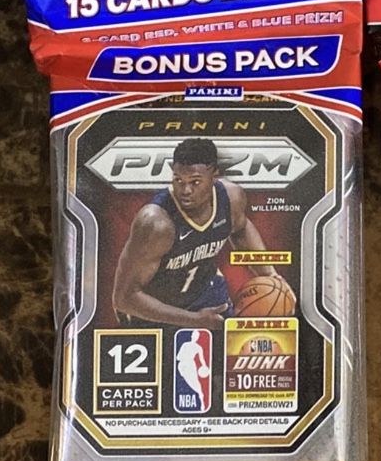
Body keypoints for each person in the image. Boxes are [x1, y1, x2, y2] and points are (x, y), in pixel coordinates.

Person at [112, 137, 280, 328]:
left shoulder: (231, 197)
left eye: (195, 182)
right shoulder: (156, 224)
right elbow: (125, 298)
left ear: (214, 176)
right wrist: (194, 320)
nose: (185, 190)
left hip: (205, 293)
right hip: (157, 310)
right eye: (178, 180)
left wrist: (270, 274)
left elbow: (241, 229)